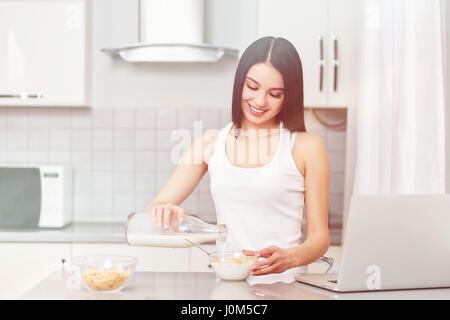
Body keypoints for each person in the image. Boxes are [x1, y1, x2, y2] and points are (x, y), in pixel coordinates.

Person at [143, 36, 330, 281]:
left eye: (274, 94)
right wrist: (164, 211)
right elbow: (151, 211)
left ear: (289, 95)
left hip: (287, 289)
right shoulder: (209, 143)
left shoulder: (308, 147)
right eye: (252, 87)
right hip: (230, 289)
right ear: (240, 83)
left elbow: (320, 238)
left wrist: (291, 257)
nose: (260, 101)